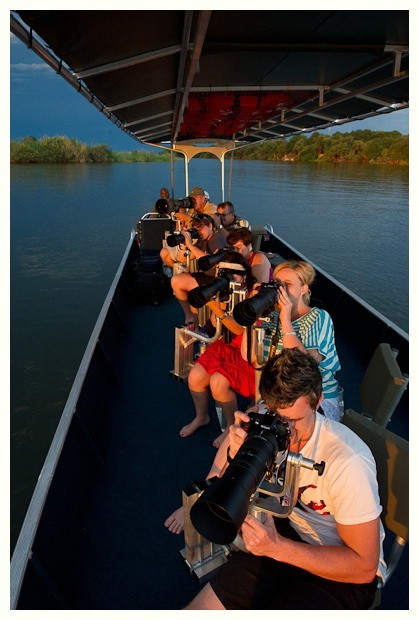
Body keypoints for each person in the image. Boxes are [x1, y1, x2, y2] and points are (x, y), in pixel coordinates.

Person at [181, 348, 384, 610]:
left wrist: (278, 549)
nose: (284, 431)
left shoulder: (347, 461)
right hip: (286, 532)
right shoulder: (265, 419)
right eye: (277, 418)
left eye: (294, 421)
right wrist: (235, 452)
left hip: (342, 568)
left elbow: (364, 567)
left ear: (318, 401)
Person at [242, 260, 341, 421]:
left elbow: (303, 365)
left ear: (304, 289)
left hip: (314, 400)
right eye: (277, 283)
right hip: (278, 398)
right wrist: (252, 317)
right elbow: (250, 356)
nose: (281, 289)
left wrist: (285, 318)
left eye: (288, 284)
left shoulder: (319, 317)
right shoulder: (272, 318)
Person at [179, 251, 256, 447]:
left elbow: (240, 329)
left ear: (244, 276)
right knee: (195, 378)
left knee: (218, 384)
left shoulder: (253, 295)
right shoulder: (225, 293)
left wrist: (218, 310)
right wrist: (217, 302)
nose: (230, 279)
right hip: (225, 345)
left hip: (247, 349)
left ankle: (231, 426)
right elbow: (212, 327)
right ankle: (201, 417)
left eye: (234, 274)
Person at [171, 213, 228, 329]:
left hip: (218, 281)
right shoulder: (203, 240)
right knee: (178, 282)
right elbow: (181, 259)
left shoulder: (217, 240)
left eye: (201, 228)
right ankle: (193, 323)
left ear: (210, 226)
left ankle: (192, 320)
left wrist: (191, 246)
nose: (199, 232)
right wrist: (183, 245)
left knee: (177, 281)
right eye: (196, 230)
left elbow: (213, 263)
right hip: (207, 277)